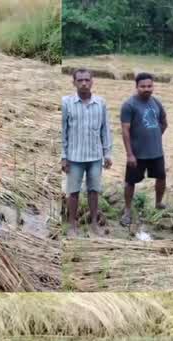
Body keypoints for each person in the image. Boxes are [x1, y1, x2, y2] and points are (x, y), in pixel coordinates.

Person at [61, 69, 113, 238]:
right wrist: (63, 156)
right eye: (80, 80)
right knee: (73, 192)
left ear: (92, 82)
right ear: (74, 82)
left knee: (94, 190)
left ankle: (94, 224)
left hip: (95, 156)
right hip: (74, 157)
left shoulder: (100, 103)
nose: (84, 83)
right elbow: (62, 131)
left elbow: (105, 130)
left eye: (87, 80)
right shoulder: (66, 103)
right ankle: (72, 225)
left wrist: (107, 153)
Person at [120, 73, 168, 226]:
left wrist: (155, 136)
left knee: (161, 177)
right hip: (137, 153)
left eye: (149, 86)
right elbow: (125, 131)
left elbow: (164, 122)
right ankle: (127, 210)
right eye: (143, 86)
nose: (147, 89)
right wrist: (129, 154)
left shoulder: (156, 102)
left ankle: (158, 203)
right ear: (136, 87)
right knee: (130, 181)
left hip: (156, 151)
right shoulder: (129, 105)